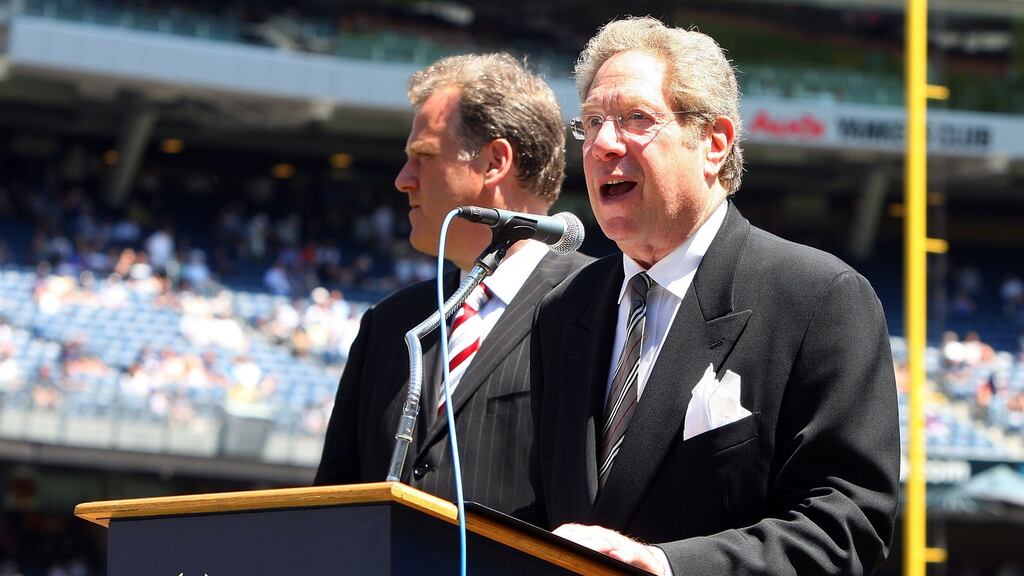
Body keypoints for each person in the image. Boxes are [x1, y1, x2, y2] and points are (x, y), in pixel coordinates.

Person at [524, 17, 899, 575]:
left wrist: (668, 567)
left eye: (635, 119)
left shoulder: (820, 299)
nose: (603, 144)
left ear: (714, 143)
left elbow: (846, 525)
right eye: (593, 123)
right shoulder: (564, 310)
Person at [314, 53, 591, 513]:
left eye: (423, 157)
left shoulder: (597, 306)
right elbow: (330, 506)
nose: (404, 180)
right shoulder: (387, 326)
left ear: (494, 162)